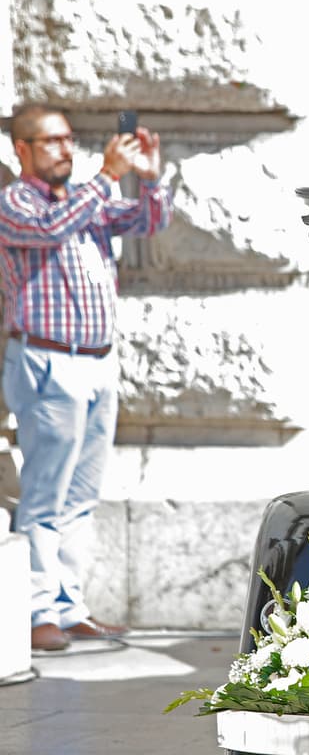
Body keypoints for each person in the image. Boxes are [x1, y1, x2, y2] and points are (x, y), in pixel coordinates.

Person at [2, 102, 172, 652]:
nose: (63, 149)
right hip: (48, 362)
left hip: (98, 361)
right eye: (50, 141)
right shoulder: (15, 203)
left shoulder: (85, 200)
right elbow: (53, 228)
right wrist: (108, 176)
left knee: (81, 495)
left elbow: (148, 222)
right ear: (21, 149)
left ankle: (70, 607)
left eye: (68, 139)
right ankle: (34, 613)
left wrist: (148, 180)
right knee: (45, 496)